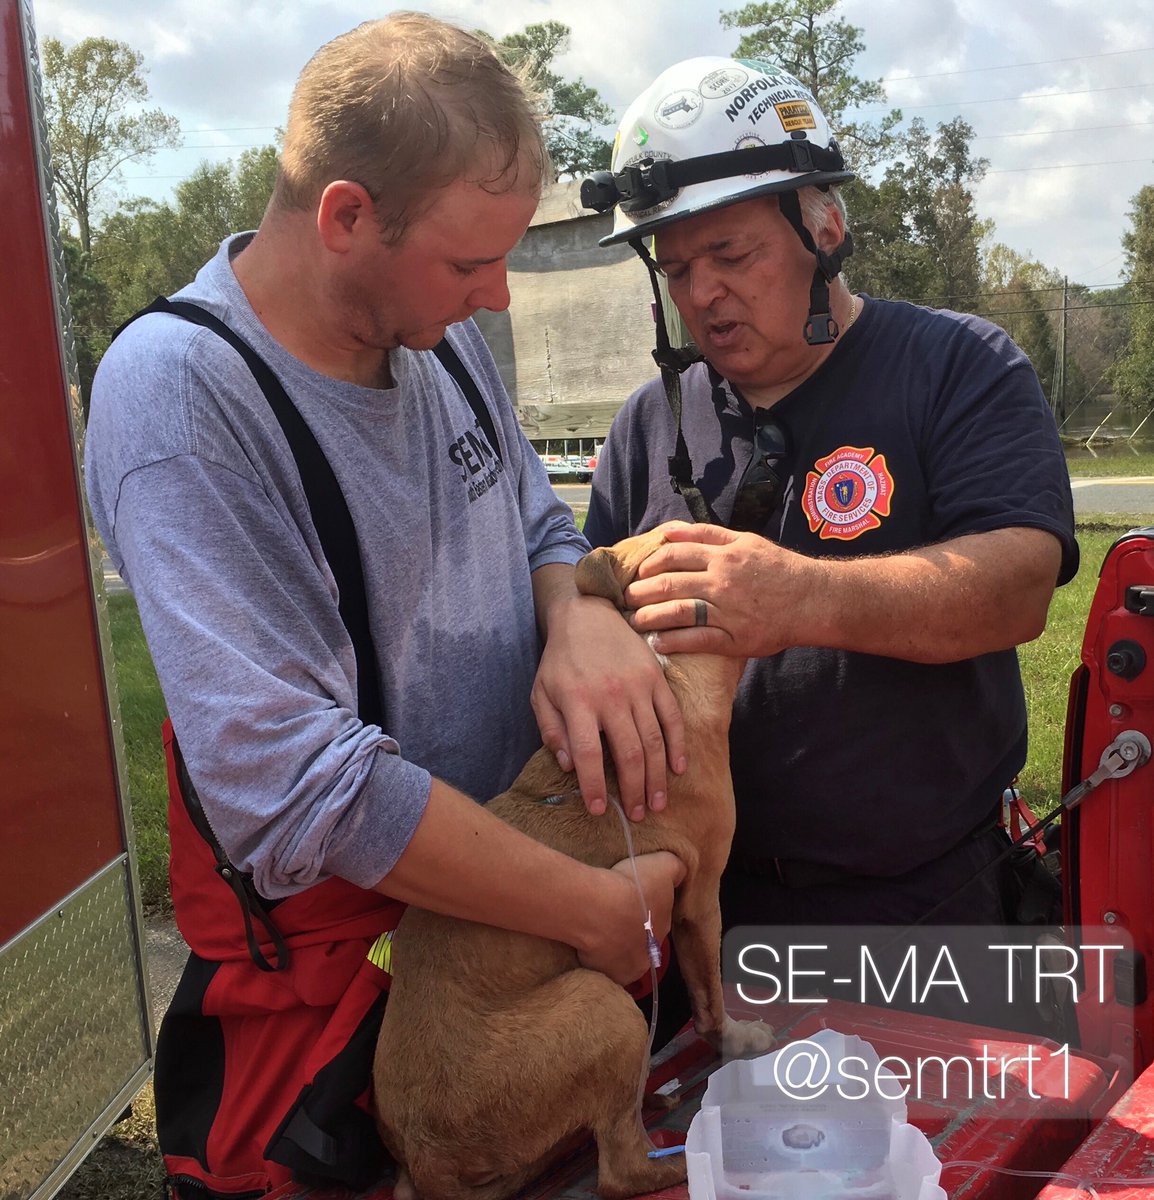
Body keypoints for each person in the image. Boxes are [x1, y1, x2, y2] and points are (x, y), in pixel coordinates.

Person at [84, 15, 685, 1196]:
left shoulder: (435, 337)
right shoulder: (184, 400)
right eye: (471, 265)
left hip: (509, 940)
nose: (500, 298)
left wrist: (574, 617)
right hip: (344, 1013)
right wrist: (594, 912)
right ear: (346, 214)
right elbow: (294, 786)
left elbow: (535, 522)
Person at [580, 56, 1079, 1023]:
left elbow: (1020, 584)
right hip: (696, 915)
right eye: (678, 270)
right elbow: (582, 593)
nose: (706, 294)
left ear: (825, 226)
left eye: (731, 254)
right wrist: (577, 623)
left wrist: (802, 597)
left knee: (920, 1166)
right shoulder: (650, 422)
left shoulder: (956, 365)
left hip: (915, 910)